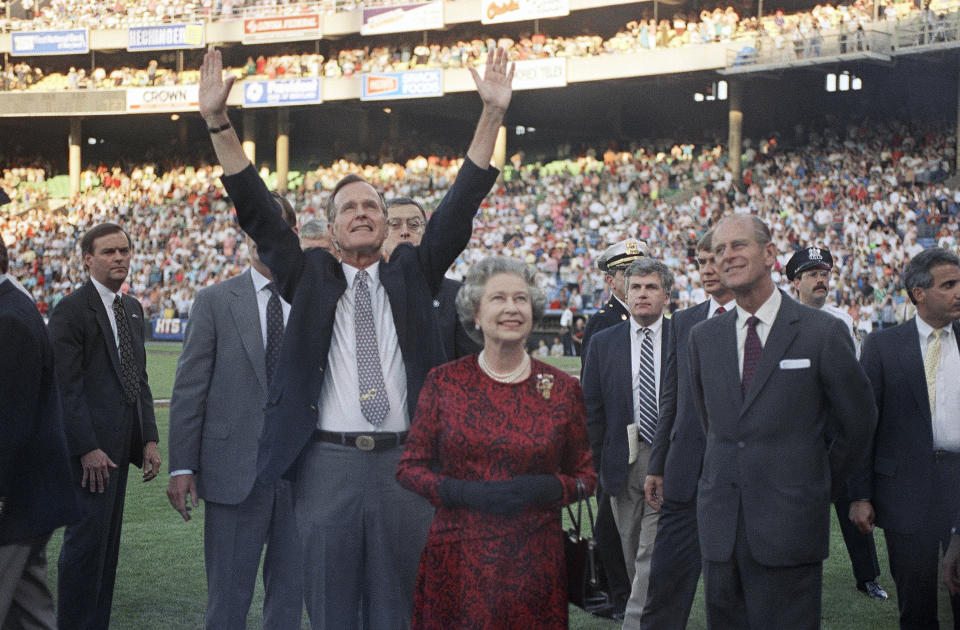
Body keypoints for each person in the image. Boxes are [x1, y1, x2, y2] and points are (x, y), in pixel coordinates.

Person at [198, 46, 511, 629]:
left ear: (388, 222)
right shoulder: (310, 277)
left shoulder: (413, 273)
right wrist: (219, 123)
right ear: (334, 228)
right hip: (326, 466)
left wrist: (491, 112)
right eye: (349, 208)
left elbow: (461, 203)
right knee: (331, 608)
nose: (362, 213)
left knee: (401, 610)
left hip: (405, 466)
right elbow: (258, 213)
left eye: (373, 205)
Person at [687, 215, 876, 629]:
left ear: (770, 254)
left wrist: (817, 478)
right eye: (719, 250)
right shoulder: (704, 338)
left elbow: (859, 421)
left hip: (791, 524)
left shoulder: (822, 332)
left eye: (739, 245)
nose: (727, 256)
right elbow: (714, 426)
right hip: (721, 526)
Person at [396, 256, 596, 629]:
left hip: (535, 561)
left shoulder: (563, 388)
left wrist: (550, 487)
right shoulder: (445, 382)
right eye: (498, 298)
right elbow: (410, 468)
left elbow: (586, 475)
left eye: (520, 299)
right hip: (457, 553)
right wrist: (457, 492)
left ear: (533, 312)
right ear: (475, 312)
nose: (511, 308)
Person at [166, 196, 302, 630]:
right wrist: (182, 465)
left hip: (303, 473)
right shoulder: (216, 300)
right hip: (233, 472)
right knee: (227, 601)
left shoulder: (316, 298)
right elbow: (190, 390)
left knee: (290, 601)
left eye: (274, 226)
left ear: (292, 234)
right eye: (255, 227)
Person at [48, 222, 162, 630]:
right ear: (87, 260)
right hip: (90, 455)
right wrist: (86, 448)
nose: (119, 258)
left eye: (124, 251)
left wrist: (148, 437)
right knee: (83, 548)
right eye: (110, 252)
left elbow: (139, 379)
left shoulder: (131, 308)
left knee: (106, 548)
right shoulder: (71, 310)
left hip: (119, 447)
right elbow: (65, 388)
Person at [849, 247, 960, 629]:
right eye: (949, 284)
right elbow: (865, 425)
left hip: (959, 480)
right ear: (919, 293)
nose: (959, 291)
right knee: (916, 604)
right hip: (906, 490)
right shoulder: (883, 346)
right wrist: (860, 495)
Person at [640, 229, 735, 629]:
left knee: (729, 594)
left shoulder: (768, 322)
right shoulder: (684, 320)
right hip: (683, 476)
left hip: (738, 479)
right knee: (665, 592)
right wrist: (658, 463)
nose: (708, 269)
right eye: (701, 262)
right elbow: (671, 398)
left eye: (715, 259)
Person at [785, 245, 888, 602]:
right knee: (793, 507)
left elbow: (853, 377)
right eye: (813, 274)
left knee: (851, 501)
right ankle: (791, 577)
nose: (821, 280)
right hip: (795, 424)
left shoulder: (841, 319)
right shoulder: (778, 318)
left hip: (833, 423)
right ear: (795, 281)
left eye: (825, 274)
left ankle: (868, 577)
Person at [582, 257, 674, 630]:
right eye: (635, 287)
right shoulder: (605, 342)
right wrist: (596, 463)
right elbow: (591, 407)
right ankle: (656, 615)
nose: (642, 294)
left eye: (651, 287)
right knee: (632, 549)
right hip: (621, 459)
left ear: (666, 294)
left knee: (650, 550)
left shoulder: (684, 336)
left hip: (665, 457)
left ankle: (635, 624)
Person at [0, 236, 78, 629]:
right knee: (30, 613)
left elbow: (9, 421)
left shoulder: (9, 317)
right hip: (25, 501)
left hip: (12, 501)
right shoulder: (12, 306)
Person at [580, 237, 649, 619]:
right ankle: (617, 595)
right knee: (611, 522)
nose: (635, 278)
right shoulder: (604, 322)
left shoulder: (650, 317)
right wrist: (595, 447)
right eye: (626, 273)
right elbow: (592, 391)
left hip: (645, 433)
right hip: (614, 438)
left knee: (636, 520)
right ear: (611, 281)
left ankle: (623, 592)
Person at [382, 196, 479, 360]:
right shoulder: (368, 289)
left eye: (413, 225)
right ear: (381, 234)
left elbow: (469, 364)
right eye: (394, 225)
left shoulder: (457, 295)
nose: (405, 231)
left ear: (426, 232)